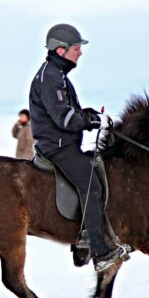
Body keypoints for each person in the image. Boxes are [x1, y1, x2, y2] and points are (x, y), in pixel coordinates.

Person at [29, 23, 130, 272]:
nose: (80, 53)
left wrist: (94, 116)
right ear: (60, 50)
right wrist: (94, 121)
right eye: (76, 48)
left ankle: (83, 242)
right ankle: (99, 251)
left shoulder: (57, 75)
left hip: (64, 143)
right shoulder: (51, 77)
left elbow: (72, 113)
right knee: (91, 185)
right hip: (57, 146)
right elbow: (64, 119)